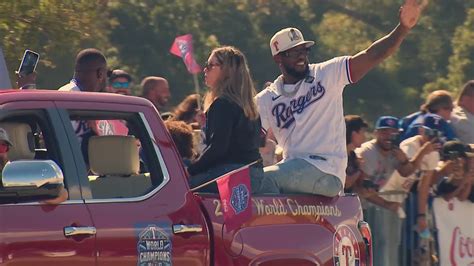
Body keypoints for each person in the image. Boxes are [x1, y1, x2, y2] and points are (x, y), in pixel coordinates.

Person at [256, 0, 428, 196]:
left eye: (304, 50)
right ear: (278, 58)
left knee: (261, 180)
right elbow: (247, 139)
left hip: (326, 171)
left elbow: (372, 55)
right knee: (247, 182)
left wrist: (403, 28)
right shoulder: (266, 99)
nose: (301, 56)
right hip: (293, 171)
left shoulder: (327, 73)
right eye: (294, 52)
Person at [187, 46, 265, 194]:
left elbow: (218, 149)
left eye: (210, 65)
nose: (205, 70)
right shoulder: (249, 107)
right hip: (255, 175)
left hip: (232, 175)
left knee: (182, 187)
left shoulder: (222, 104)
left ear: (227, 71)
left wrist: (190, 170)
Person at [0, 127, 68, 204]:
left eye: (2, 147)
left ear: (7, 150)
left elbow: (62, 193)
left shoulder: (17, 172)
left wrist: (43, 203)